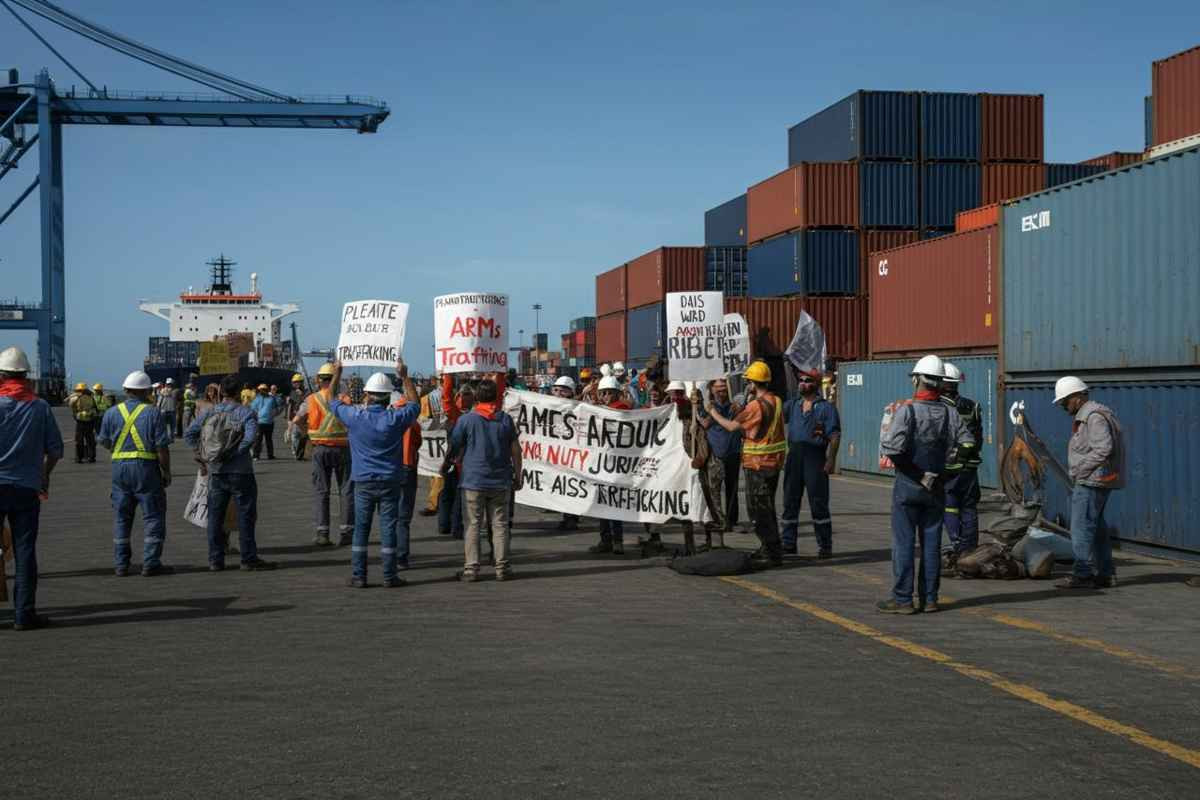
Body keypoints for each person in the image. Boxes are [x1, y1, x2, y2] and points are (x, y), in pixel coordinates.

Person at [876, 355, 973, 615]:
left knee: (904, 544)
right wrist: (949, 473)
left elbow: (894, 451)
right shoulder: (950, 413)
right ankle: (930, 598)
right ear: (940, 383)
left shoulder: (906, 411)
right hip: (937, 488)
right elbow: (967, 444)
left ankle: (903, 600)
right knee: (931, 545)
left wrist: (919, 475)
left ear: (918, 379)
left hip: (909, 486)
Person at [327, 361, 419, 588]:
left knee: (361, 529)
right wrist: (405, 377)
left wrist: (337, 375)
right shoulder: (395, 419)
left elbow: (331, 400)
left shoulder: (355, 417)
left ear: (367, 395)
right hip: (390, 481)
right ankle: (389, 576)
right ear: (388, 397)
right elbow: (415, 404)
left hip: (363, 482)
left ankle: (359, 575)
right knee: (389, 528)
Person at [184, 374, 275, 572]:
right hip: (241, 472)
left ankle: (215, 560)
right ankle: (248, 559)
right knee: (245, 515)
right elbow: (251, 437)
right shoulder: (246, 412)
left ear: (222, 392)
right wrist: (234, 453)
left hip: (215, 472)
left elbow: (189, 433)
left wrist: (202, 455)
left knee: (215, 518)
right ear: (239, 390)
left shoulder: (209, 412)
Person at [0, 346, 63, 630]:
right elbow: (56, 450)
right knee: (25, 552)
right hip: (26, 488)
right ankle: (24, 615)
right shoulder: (40, 407)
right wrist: (44, 474)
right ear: (26, 375)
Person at [706, 360, 786, 568]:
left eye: (748, 382)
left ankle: (771, 551)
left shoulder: (755, 406)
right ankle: (769, 547)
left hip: (758, 465)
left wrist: (712, 412)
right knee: (767, 508)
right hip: (773, 464)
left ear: (753, 382)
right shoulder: (776, 400)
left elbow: (732, 426)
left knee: (758, 510)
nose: (747, 385)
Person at [443, 376, 521, 582]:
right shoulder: (505, 419)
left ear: (476, 397)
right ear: (496, 397)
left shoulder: (467, 419)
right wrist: (518, 475)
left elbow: (455, 444)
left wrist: (446, 463)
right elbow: (516, 449)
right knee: (500, 525)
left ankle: (471, 569)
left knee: (472, 525)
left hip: (473, 481)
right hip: (500, 481)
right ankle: (502, 567)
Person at [97, 370, 173, 576]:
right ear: (147, 391)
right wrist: (166, 472)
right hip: (146, 469)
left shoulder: (111, 412)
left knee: (122, 517)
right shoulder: (153, 412)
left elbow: (103, 441)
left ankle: (121, 564)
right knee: (153, 516)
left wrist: (120, 450)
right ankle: (151, 563)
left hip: (119, 469)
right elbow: (161, 447)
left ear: (125, 390)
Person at [1053, 376, 1125, 590]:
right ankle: (1105, 574)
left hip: (1092, 481)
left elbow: (1104, 448)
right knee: (1098, 530)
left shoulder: (1093, 417)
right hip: (1099, 480)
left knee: (1081, 528)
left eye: (1064, 402)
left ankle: (1082, 575)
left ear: (1076, 397)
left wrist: (1078, 470)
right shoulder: (1097, 413)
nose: (1063, 406)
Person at [781, 368, 841, 558]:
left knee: (818, 503)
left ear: (815, 384)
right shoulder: (792, 405)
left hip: (815, 457)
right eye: (801, 380)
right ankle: (788, 543)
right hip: (794, 457)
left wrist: (831, 459)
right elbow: (774, 415)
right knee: (790, 501)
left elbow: (834, 436)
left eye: (807, 380)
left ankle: (825, 545)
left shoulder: (826, 408)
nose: (803, 383)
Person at [293, 363, 354, 546]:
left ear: (319, 380)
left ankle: (322, 533)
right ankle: (347, 533)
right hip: (343, 449)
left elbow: (297, 420)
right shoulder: (345, 399)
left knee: (322, 491)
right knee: (346, 491)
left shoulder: (311, 400)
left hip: (320, 449)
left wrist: (309, 433)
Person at [939, 363, 984, 574]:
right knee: (969, 507)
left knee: (949, 506)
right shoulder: (973, 405)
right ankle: (970, 549)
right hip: (971, 467)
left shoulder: (939, 405)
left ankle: (957, 547)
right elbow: (979, 438)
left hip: (950, 467)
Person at [589, 375, 631, 555]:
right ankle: (606, 540)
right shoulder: (600, 410)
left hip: (615, 465)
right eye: (603, 393)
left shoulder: (621, 409)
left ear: (617, 394)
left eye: (609, 392)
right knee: (602, 504)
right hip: (601, 463)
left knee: (613, 504)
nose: (606, 395)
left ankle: (616, 541)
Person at [697, 378, 741, 533]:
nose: (722, 392)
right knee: (714, 489)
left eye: (724, 388)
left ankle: (731, 519)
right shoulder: (708, 407)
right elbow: (704, 424)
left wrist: (738, 408)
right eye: (719, 389)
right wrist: (710, 412)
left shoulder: (735, 406)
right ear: (712, 389)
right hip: (715, 453)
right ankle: (717, 518)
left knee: (732, 488)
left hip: (733, 451)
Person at [551, 375, 580, 531]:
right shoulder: (550, 406)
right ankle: (566, 516)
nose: (559, 393)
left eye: (563, 390)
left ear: (571, 392)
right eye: (556, 390)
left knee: (571, 486)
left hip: (573, 454)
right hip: (558, 453)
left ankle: (572, 518)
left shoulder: (578, 407)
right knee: (563, 487)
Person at [418, 377, 444, 516]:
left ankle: (434, 504)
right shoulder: (457, 395)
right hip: (445, 439)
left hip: (432, 440)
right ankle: (439, 502)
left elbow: (423, 420)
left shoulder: (428, 398)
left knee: (435, 475)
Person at [67, 381, 99, 463]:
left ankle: (79, 458)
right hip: (90, 420)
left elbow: (69, 404)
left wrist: (74, 397)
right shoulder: (91, 397)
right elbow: (96, 408)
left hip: (81, 421)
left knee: (79, 440)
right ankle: (91, 457)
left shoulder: (76, 397)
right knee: (90, 439)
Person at [250, 383, 279, 460]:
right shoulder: (271, 398)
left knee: (259, 439)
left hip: (261, 422)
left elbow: (253, 410)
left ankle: (256, 455)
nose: (262, 391)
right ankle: (269, 455)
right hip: (267, 422)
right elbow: (276, 409)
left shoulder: (257, 399)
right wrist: (273, 415)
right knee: (267, 439)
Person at [285, 374, 308, 461]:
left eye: (297, 382)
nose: (296, 384)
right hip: (294, 417)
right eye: (294, 382)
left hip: (304, 418)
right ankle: (296, 452)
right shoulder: (292, 393)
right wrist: (288, 419)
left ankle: (300, 454)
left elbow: (308, 403)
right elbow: (290, 406)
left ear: (301, 382)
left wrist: (302, 395)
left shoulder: (307, 392)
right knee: (294, 436)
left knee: (302, 436)